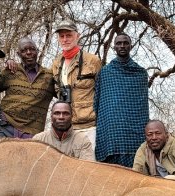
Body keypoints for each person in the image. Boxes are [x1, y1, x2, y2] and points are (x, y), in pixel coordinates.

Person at [94, 32, 149, 168]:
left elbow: (143, 107)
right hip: (111, 131)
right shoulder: (105, 73)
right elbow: (98, 103)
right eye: (119, 43)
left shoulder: (140, 73)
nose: (122, 46)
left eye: (126, 43)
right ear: (114, 47)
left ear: (131, 46)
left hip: (134, 132)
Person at [52, 19, 101, 151]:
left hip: (89, 126)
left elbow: (102, 92)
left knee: (88, 166)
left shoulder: (92, 60)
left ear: (77, 36)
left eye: (69, 35)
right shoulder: (57, 63)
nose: (65, 39)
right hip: (66, 127)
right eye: (61, 36)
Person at [0, 37, 55, 138]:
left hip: (33, 131)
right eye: (24, 50)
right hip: (6, 125)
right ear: (18, 54)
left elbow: (65, 93)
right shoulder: (10, 71)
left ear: (37, 51)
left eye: (32, 49)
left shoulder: (49, 76)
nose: (28, 53)